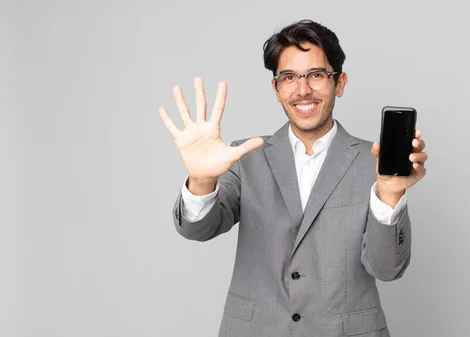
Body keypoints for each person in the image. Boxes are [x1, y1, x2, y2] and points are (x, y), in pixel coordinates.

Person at [159, 19, 427, 337]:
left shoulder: (376, 163)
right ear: (276, 88)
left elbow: (388, 268)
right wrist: (200, 179)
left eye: (316, 75)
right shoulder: (244, 157)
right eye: (289, 77)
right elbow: (197, 228)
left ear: (339, 83)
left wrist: (390, 195)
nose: (303, 90)